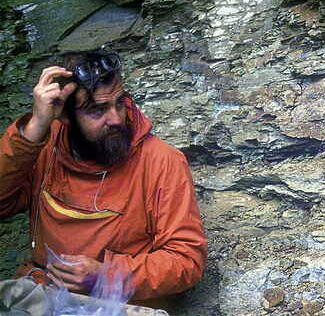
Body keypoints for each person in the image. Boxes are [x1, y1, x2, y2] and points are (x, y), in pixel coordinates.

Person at [0, 49, 208, 307]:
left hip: (116, 304)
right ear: (65, 116)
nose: (116, 118)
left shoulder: (161, 160)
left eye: (119, 102)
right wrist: (33, 131)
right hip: (41, 290)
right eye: (97, 110)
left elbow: (186, 260)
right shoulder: (45, 145)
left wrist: (106, 275)